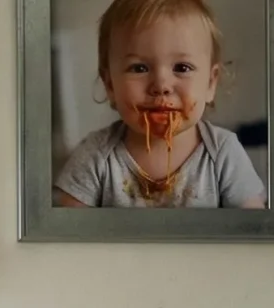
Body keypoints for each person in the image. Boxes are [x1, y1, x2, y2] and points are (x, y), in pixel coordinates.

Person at [56, 0, 265, 208]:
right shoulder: (94, 156)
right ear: (110, 85)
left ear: (210, 83)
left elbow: (252, 226)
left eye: (182, 68)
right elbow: (68, 227)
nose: (161, 86)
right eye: (139, 68)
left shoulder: (224, 154)